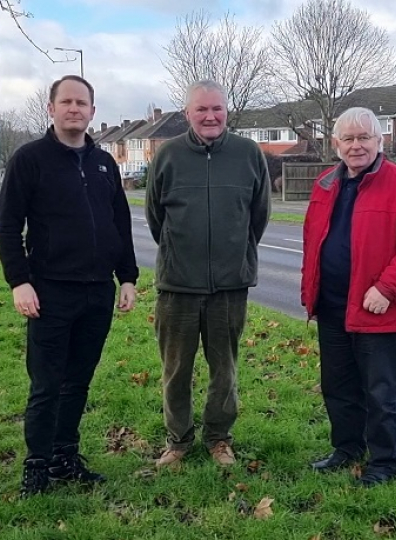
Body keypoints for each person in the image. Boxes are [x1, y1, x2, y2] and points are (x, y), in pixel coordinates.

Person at [0, 75, 139, 497]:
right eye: (67, 102)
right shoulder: (30, 159)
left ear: (93, 112)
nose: (75, 109)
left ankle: (65, 457)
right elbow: (7, 225)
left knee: (78, 382)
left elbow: (120, 224)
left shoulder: (104, 163)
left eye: (82, 103)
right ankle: (36, 466)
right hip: (49, 291)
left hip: (97, 293)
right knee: (46, 384)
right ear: (51, 108)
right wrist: (19, 282)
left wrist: (127, 276)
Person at [300, 107, 396, 487]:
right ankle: (347, 448)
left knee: (380, 391)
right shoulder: (326, 183)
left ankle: (385, 461)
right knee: (337, 386)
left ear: (380, 141)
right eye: (349, 138)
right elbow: (313, 242)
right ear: (336, 144)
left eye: (364, 138)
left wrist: (387, 288)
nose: (356, 145)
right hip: (331, 304)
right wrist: (309, 288)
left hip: (376, 306)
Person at [146, 80, 271, 469]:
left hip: (230, 286)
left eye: (217, 108)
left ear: (227, 111)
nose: (210, 116)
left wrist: (235, 253)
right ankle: (178, 441)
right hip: (177, 285)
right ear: (187, 114)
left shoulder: (249, 154)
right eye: (201, 110)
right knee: (176, 369)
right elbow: (155, 218)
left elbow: (259, 216)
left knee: (225, 369)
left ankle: (219, 439)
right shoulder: (166, 156)